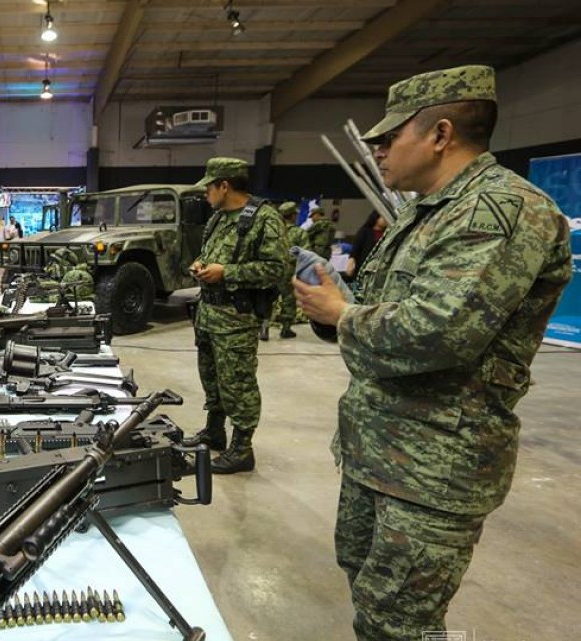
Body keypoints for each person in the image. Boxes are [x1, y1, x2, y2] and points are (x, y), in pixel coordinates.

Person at [294, 65, 571, 640]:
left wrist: (343, 315)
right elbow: (384, 311)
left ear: (441, 134)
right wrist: (335, 311)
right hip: (384, 452)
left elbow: (437, 333)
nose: (377, 148)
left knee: (399, 622)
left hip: (436, 468)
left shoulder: (503, 210)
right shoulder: (428, 211)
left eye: (390, 137)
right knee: (376, 601)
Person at [187, 157, 287, 474]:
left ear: (224, 186)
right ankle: (215, 431)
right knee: (212, 379)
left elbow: (277, 270)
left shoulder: (264, 219)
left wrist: (226, 272)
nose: (205, 194)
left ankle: (242, 449)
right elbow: (209, 254)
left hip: (236, 320)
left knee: (238, 385)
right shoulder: (218, 219)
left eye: (209, 187)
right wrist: (200, 265)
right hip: (209, 315)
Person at [272, 201, 306, 340]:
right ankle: (286, 329)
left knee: (268, 298)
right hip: (289, 270)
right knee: (288, 299)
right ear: (292, 216)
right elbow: (305, 253)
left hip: (271, 269)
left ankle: (263, 326)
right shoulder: (299, 233)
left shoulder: (273, 231)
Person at [344, 211, 387, 281]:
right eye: (382, 217)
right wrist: (351, 261)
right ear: (376, 218)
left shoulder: (386, 232)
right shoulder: (365, 231)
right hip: (364, 264)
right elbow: (356, 247)